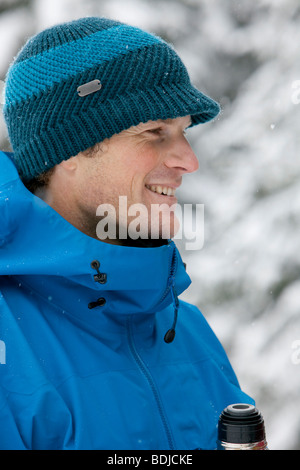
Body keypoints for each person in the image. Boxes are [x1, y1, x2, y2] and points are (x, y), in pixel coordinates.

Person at [0, 17, 254, 450]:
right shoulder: (11, 346)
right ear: (70, 150)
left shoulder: (184, 326)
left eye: (183, 131)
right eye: (155, 132)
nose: (188, 161)